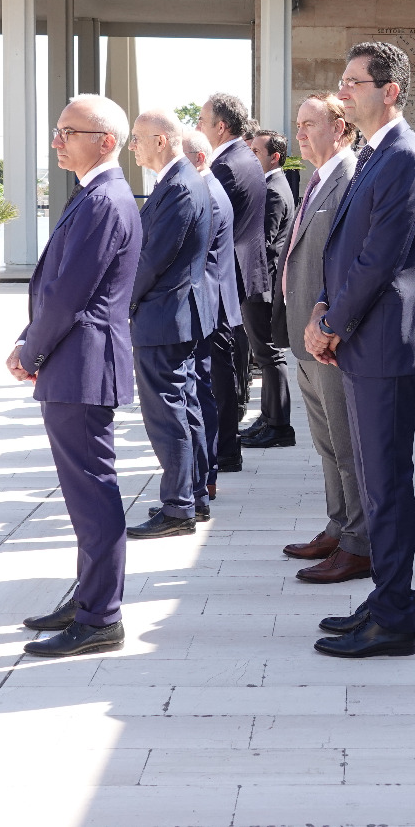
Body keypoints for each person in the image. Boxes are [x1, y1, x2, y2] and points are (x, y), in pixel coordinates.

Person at [303, 41, 415, 657]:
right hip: (363, 336)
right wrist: (322, 308)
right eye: (342, 80)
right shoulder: (374, 154)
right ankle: (385, 595)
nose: (345, 92)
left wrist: (332, 322)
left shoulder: (406, 159)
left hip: (383, 341)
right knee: (372, 477)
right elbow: (348, 248)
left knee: (386, 483)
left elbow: (378, 258)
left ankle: (394, 618)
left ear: (390, 91)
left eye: (355, 82)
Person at [11, 95, 141, 657]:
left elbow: (69, 296)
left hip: (82, 364)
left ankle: (100, 615)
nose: (57, 141)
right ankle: (89, 597)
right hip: (74, 362)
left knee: (92, 492)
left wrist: (30, 350)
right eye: (58, 130)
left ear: (106, 141)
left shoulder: (105, 201)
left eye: (69, 131)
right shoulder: (94, 195)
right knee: (82, 491)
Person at [274, 94, 370, 583]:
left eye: (310, 123)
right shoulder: (316, 179)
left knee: (348, 445)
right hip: (305, 337)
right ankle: (338, 527)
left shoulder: (351, 177)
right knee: (326, 443)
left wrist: (333, 327)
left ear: (340, 127)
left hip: (331, 341)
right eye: (297, 124)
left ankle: (359, 542)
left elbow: (354, 265)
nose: (300, 133)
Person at [124, 109, 214, 540]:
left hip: (164, 316)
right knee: (183, 406)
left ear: (161, 140)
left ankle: (179, 507)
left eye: (137, 139)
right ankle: (192, 496)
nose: (132, 147)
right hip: (173, 316)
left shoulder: (180, 186)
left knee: (167, 414)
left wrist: (118, 301)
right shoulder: (179, 182)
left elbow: (150, 260)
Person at [200, 94, 268, 472]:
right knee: (227, 362)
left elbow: (212, 226)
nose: (196, 125)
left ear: (220, 126)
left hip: (225, 275)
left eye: (201, 118)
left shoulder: (226, 165)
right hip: (237, 272)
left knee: (219, 366)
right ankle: (225, 444)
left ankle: (224, 447)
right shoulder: (243, 157)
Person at [182, 129, 242, 500]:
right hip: (213, 304)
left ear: (200, 159)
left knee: (203, 392)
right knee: (206, 389)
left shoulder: (208, 195)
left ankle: (207, 472)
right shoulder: (209, 188)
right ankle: (208, 471)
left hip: (209, 307)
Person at [241, 128, 297, 448]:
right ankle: (268, 417)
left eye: (256, 153)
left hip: (261, 285)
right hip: (257, 282)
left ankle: (279, 425)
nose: (250, 158)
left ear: (274, 157)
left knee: (269, 355)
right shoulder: (268, 185)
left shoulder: (274, 190)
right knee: (264, 354)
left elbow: (261, 244)